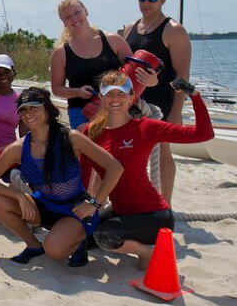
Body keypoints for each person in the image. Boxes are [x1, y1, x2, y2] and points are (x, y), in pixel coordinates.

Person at [0, 87, 123, 267]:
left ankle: (79, 241)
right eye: (23, 109)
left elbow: (115, 168)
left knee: (55, 252)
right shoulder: (19, 148)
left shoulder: (71, 138)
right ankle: (33, 246)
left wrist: (94, 204)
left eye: (34, 107)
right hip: (43, 205)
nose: (28, 113)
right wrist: (17, 195)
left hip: (76, 208)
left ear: (47, 108)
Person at [82, 72, 212, 269]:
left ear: (131, 97)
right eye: (109, 94)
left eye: (121, 93)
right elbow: (84, 173)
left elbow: (204, 134)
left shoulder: (147, 127)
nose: (115, 99)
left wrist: (194, 95)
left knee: (105, 236)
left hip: (154, 216)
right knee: (84, 237)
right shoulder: (91, 132)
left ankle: (149, 252)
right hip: (121, 212)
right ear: (101, 98)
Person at [123, 0, 192, 204]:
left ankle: (166, 205)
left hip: (162, 103)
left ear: (162, 0)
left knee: (162, 154)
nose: (147, 3)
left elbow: (182, 76)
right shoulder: (130, 28)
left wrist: (176, 111)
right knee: (129, 153)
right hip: (132, 102)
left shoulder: (174, 30)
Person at [51, 0, 156, 130]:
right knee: (89, 140)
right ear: (64, 22)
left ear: (86, 11)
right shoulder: (61, 53)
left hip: (117, 106)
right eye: (68, 17)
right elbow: (57, 89)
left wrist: (152, 81)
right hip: (81, 110)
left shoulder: (113, 40)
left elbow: (135, 73)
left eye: (77, 13)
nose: (74, 19)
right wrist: (78, 92)